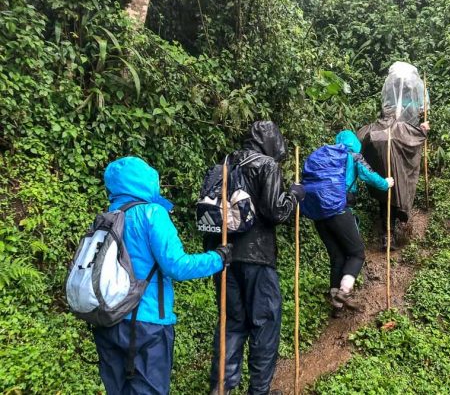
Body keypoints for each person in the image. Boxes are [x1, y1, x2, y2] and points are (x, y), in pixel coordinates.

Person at [93, 156, 232, 395]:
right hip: (147, 325)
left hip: (108, 320)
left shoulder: (107, 218)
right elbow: (177, 266)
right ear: (146, 181)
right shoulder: (151, 214)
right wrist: (218, 258)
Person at [204, 121, 305, 395]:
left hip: (224, 257)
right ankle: (259, 391)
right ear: (272, 141)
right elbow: (276, 212)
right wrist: (294, 196)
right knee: (265, 323)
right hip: (258, 258)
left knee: (232, 322)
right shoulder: (266, 165)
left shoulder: (223, 166)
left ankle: (221, 387)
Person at [313, 130, 393, 316]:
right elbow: (370, 176)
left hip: (319, 214)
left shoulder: (326, 157)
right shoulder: (353, 156)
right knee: (357, 254)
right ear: (355, 142)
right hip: (339, 211)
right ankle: (344, 292)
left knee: (338, 257)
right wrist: (386, 183)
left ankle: (337, 307)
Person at [357, 61, 430, 250]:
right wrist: (421, 131)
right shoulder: (413, 89)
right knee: (398, 182)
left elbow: (389, 111)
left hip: (389, 136)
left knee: (387, 188)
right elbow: (418, 113)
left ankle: (388, 232)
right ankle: (390, 231)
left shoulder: (395, 88)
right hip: (400, 137)